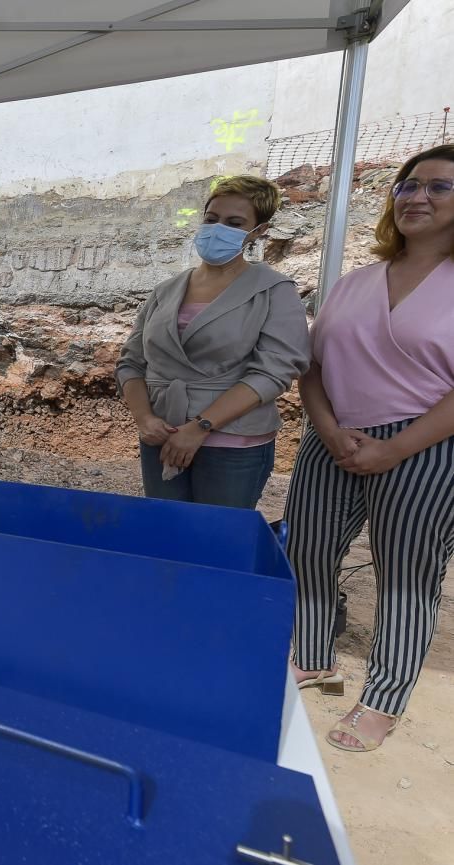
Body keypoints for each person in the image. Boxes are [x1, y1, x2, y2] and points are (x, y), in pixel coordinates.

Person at [286, 144, 454, 752]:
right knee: (306, 549)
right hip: (331, 436)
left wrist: (395, 448)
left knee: (406, 574)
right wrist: (328, 428)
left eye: (439, 188)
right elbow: (311, 364)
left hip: (424, 445)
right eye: (409, 186)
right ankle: (312, 652)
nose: (417, 197)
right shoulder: (355, 280)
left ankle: (384, 696)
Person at [116, 175, 310, 509]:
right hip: (162, 434)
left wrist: (201, 427)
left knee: (216, 541)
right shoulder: (166, 290)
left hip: (233, 442)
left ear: (258, 231)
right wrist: (144, 419)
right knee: (167, 536)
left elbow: (273, 372)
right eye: (212, 219)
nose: (218, 229)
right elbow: (131, 362)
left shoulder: (273, 291)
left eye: (234, 223)